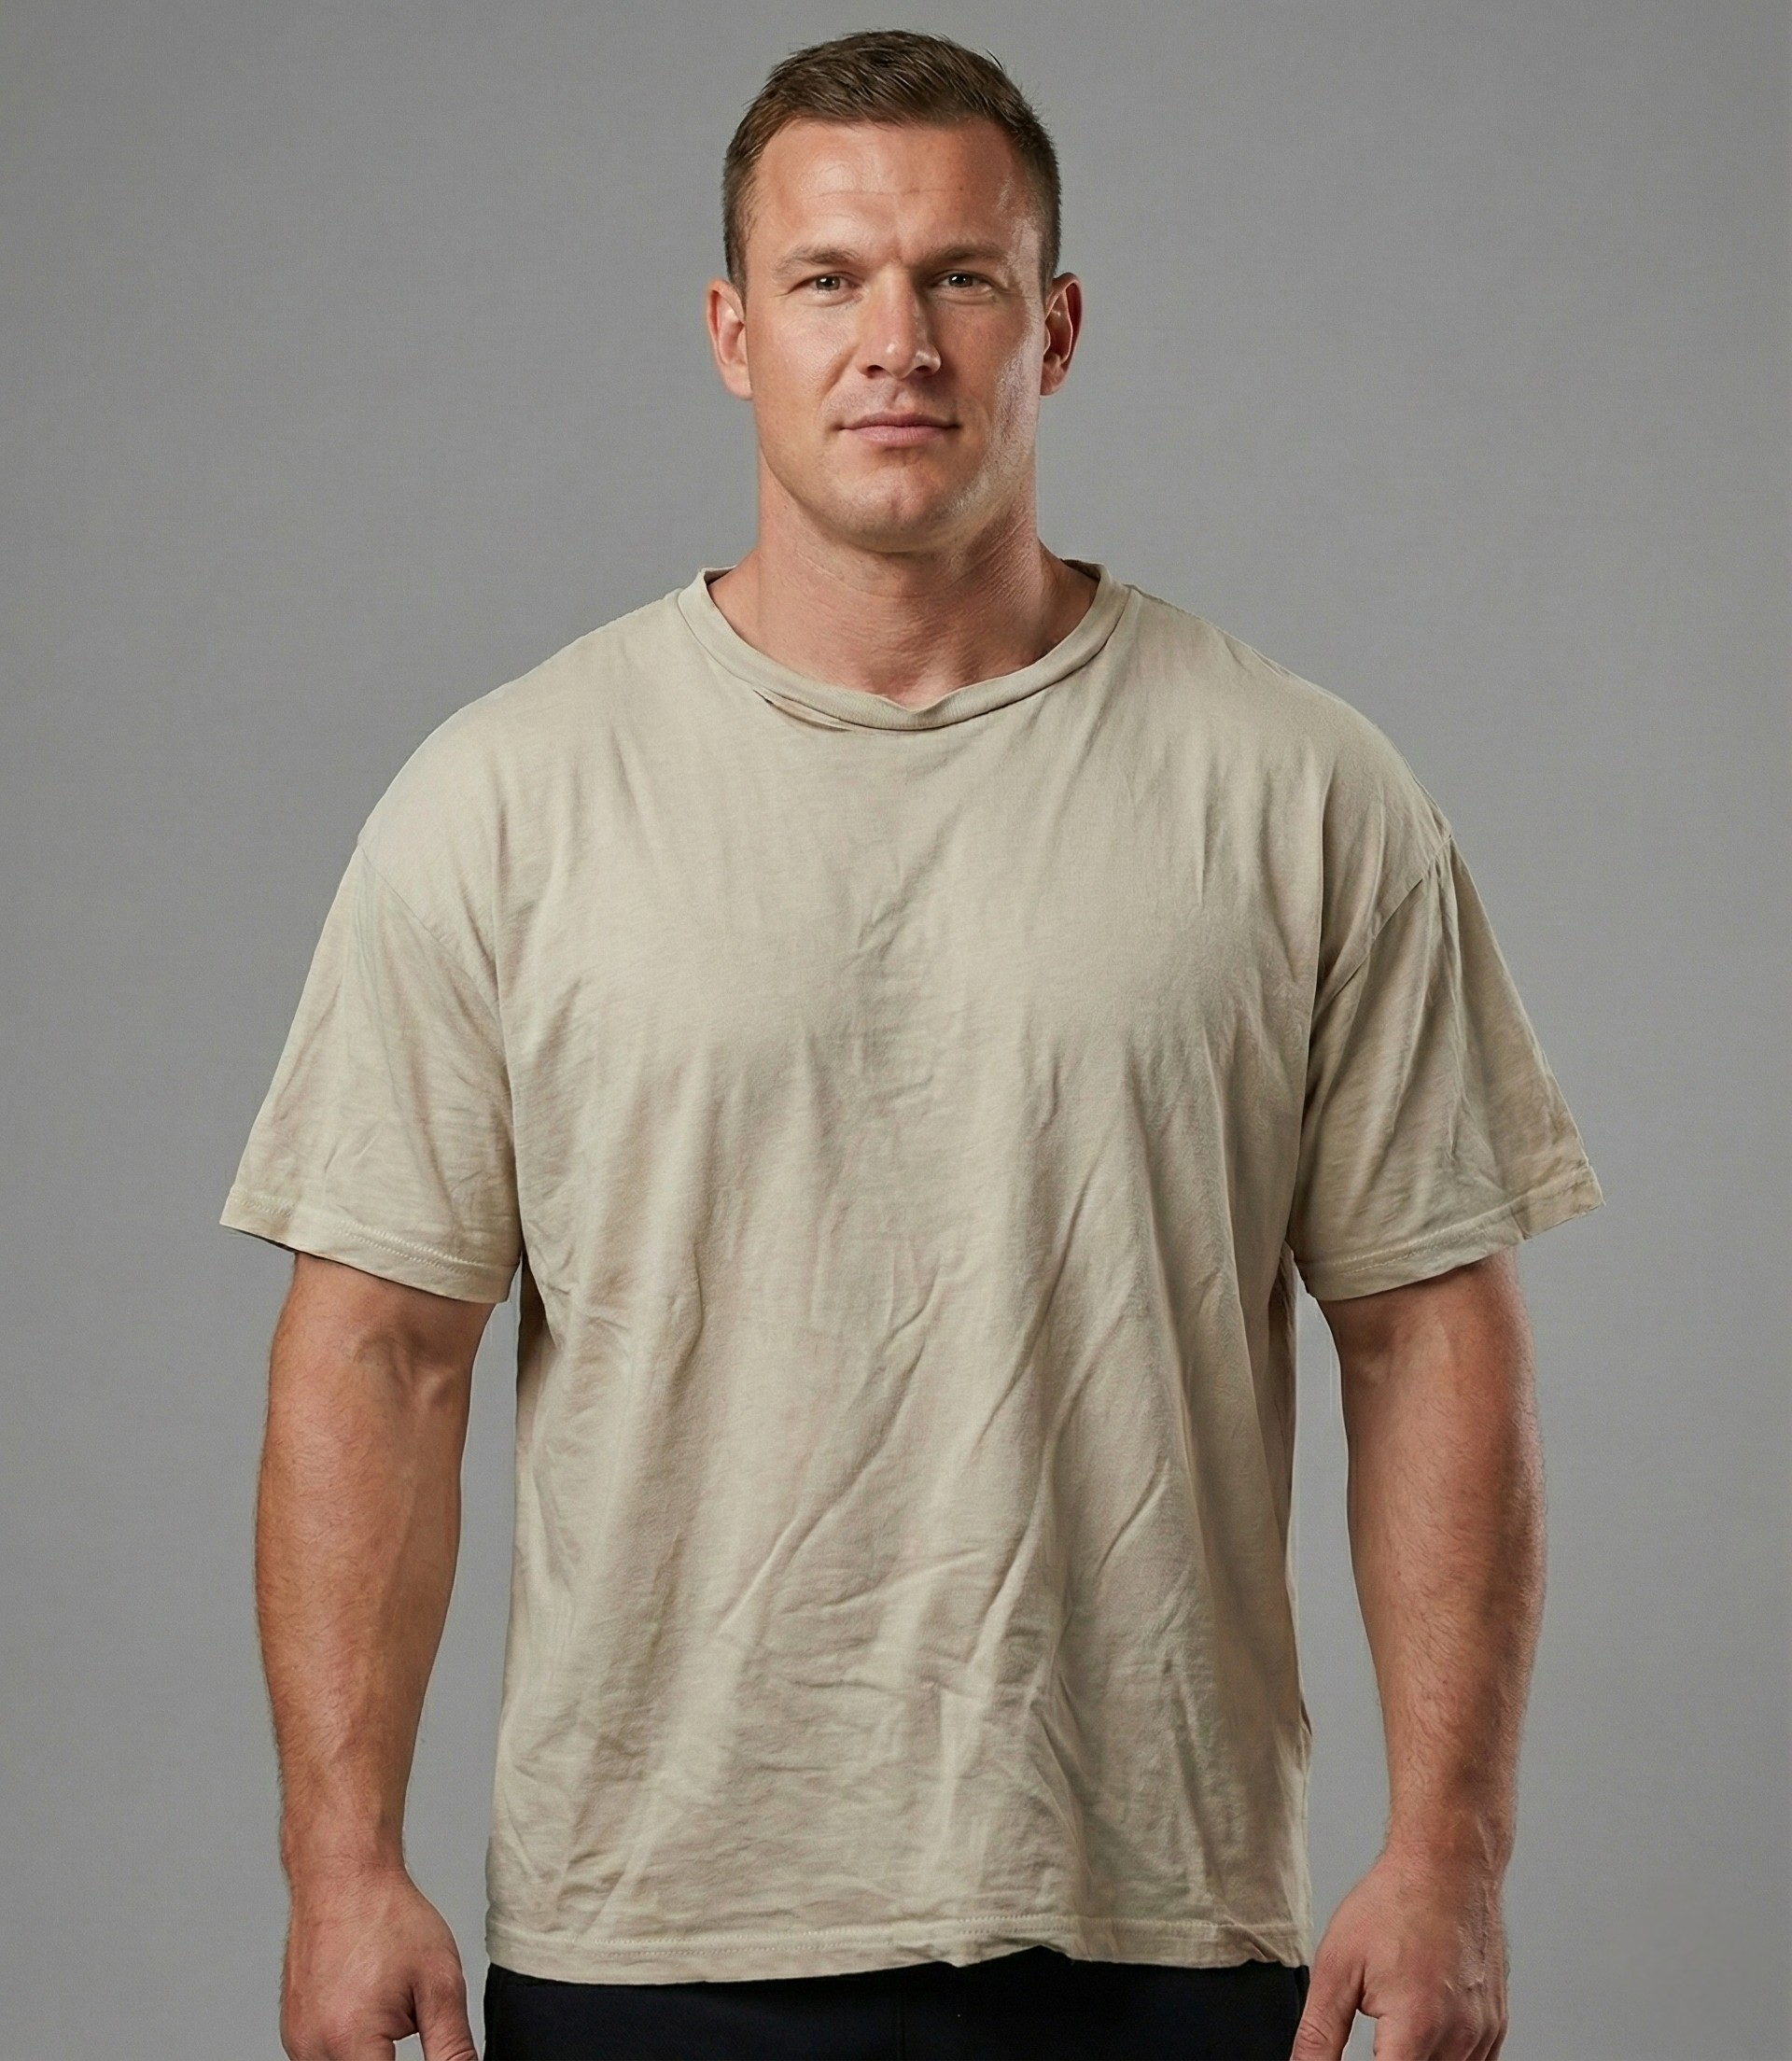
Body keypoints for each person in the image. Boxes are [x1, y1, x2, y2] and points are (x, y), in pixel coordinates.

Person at [220, 28, 1603, 2061]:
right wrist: (339, 1868)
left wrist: (1453, 1856)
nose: (899, 342)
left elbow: (1430, 1335)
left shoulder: (1300, 793)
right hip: (652, 1931)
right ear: (732, 333)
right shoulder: (505, 802)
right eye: (828, 279)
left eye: (963, 277)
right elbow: (377, 1351)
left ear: (1056, 327)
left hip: (1161, 1929)